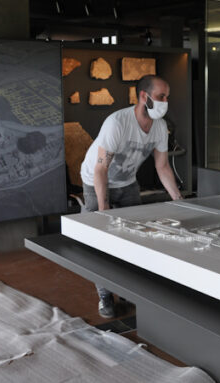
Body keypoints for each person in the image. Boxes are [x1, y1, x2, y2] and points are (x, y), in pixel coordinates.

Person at [79, 74, 182, 318]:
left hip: (127, 183)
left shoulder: (159, 126)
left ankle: (127, 289)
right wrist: (104, 210)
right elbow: (101, 168)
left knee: (136, 237)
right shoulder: (118, 123)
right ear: (144, 97)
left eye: (167, 97)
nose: (165, 101)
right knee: (101, 241)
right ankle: (105, 296)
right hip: (96, 182)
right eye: (161, 97)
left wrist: (179, 201)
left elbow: (163, 167)